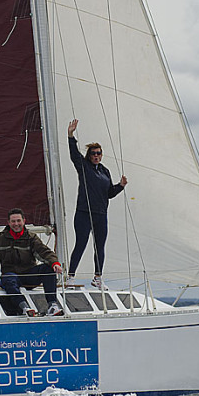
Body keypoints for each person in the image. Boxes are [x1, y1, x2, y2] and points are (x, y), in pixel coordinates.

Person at [67, 119, 127, 290]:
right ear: (89, 154)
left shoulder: (104, 171)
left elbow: (109, 193)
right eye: (93, 153)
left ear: (101, 154)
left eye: (99, 153)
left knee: (100, 246)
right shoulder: (84, 166)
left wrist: (120, 186)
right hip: (84, 212)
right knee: (81, 243)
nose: (96, 155)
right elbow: (73, 154)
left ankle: (98, 278)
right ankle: (70, 277)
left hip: (101, 214)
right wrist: (71, 135)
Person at [0, 208, 63, 317]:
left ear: (24, 221)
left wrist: (54, 263)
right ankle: (25, 307)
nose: (16, 224)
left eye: (18, 221)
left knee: (48, 269)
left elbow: (44, 252)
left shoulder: (31, 238)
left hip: (29, 274)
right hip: (11, 276)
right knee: (8, 279)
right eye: (13, 221)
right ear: (8, 223)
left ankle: (52, 305)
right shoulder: (0, 240)